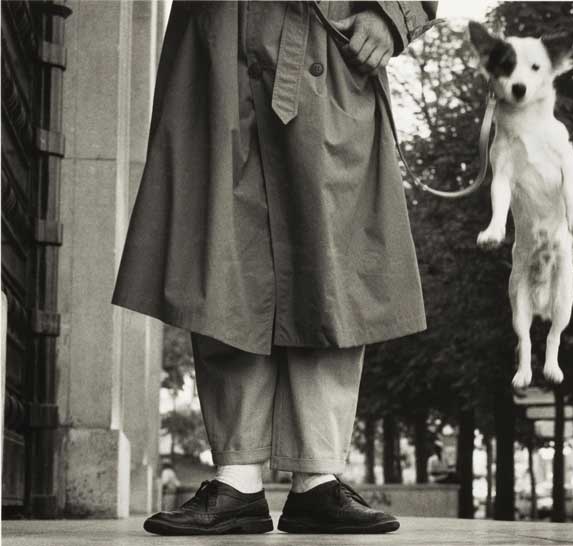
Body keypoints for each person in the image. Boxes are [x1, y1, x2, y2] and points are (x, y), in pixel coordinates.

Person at [111, 1, 437, 535]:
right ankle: (237, 476)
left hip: (326, 47)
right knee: (220, 259)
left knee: (331, 267)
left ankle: (318, 477)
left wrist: (393, 13)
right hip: (217, 48)